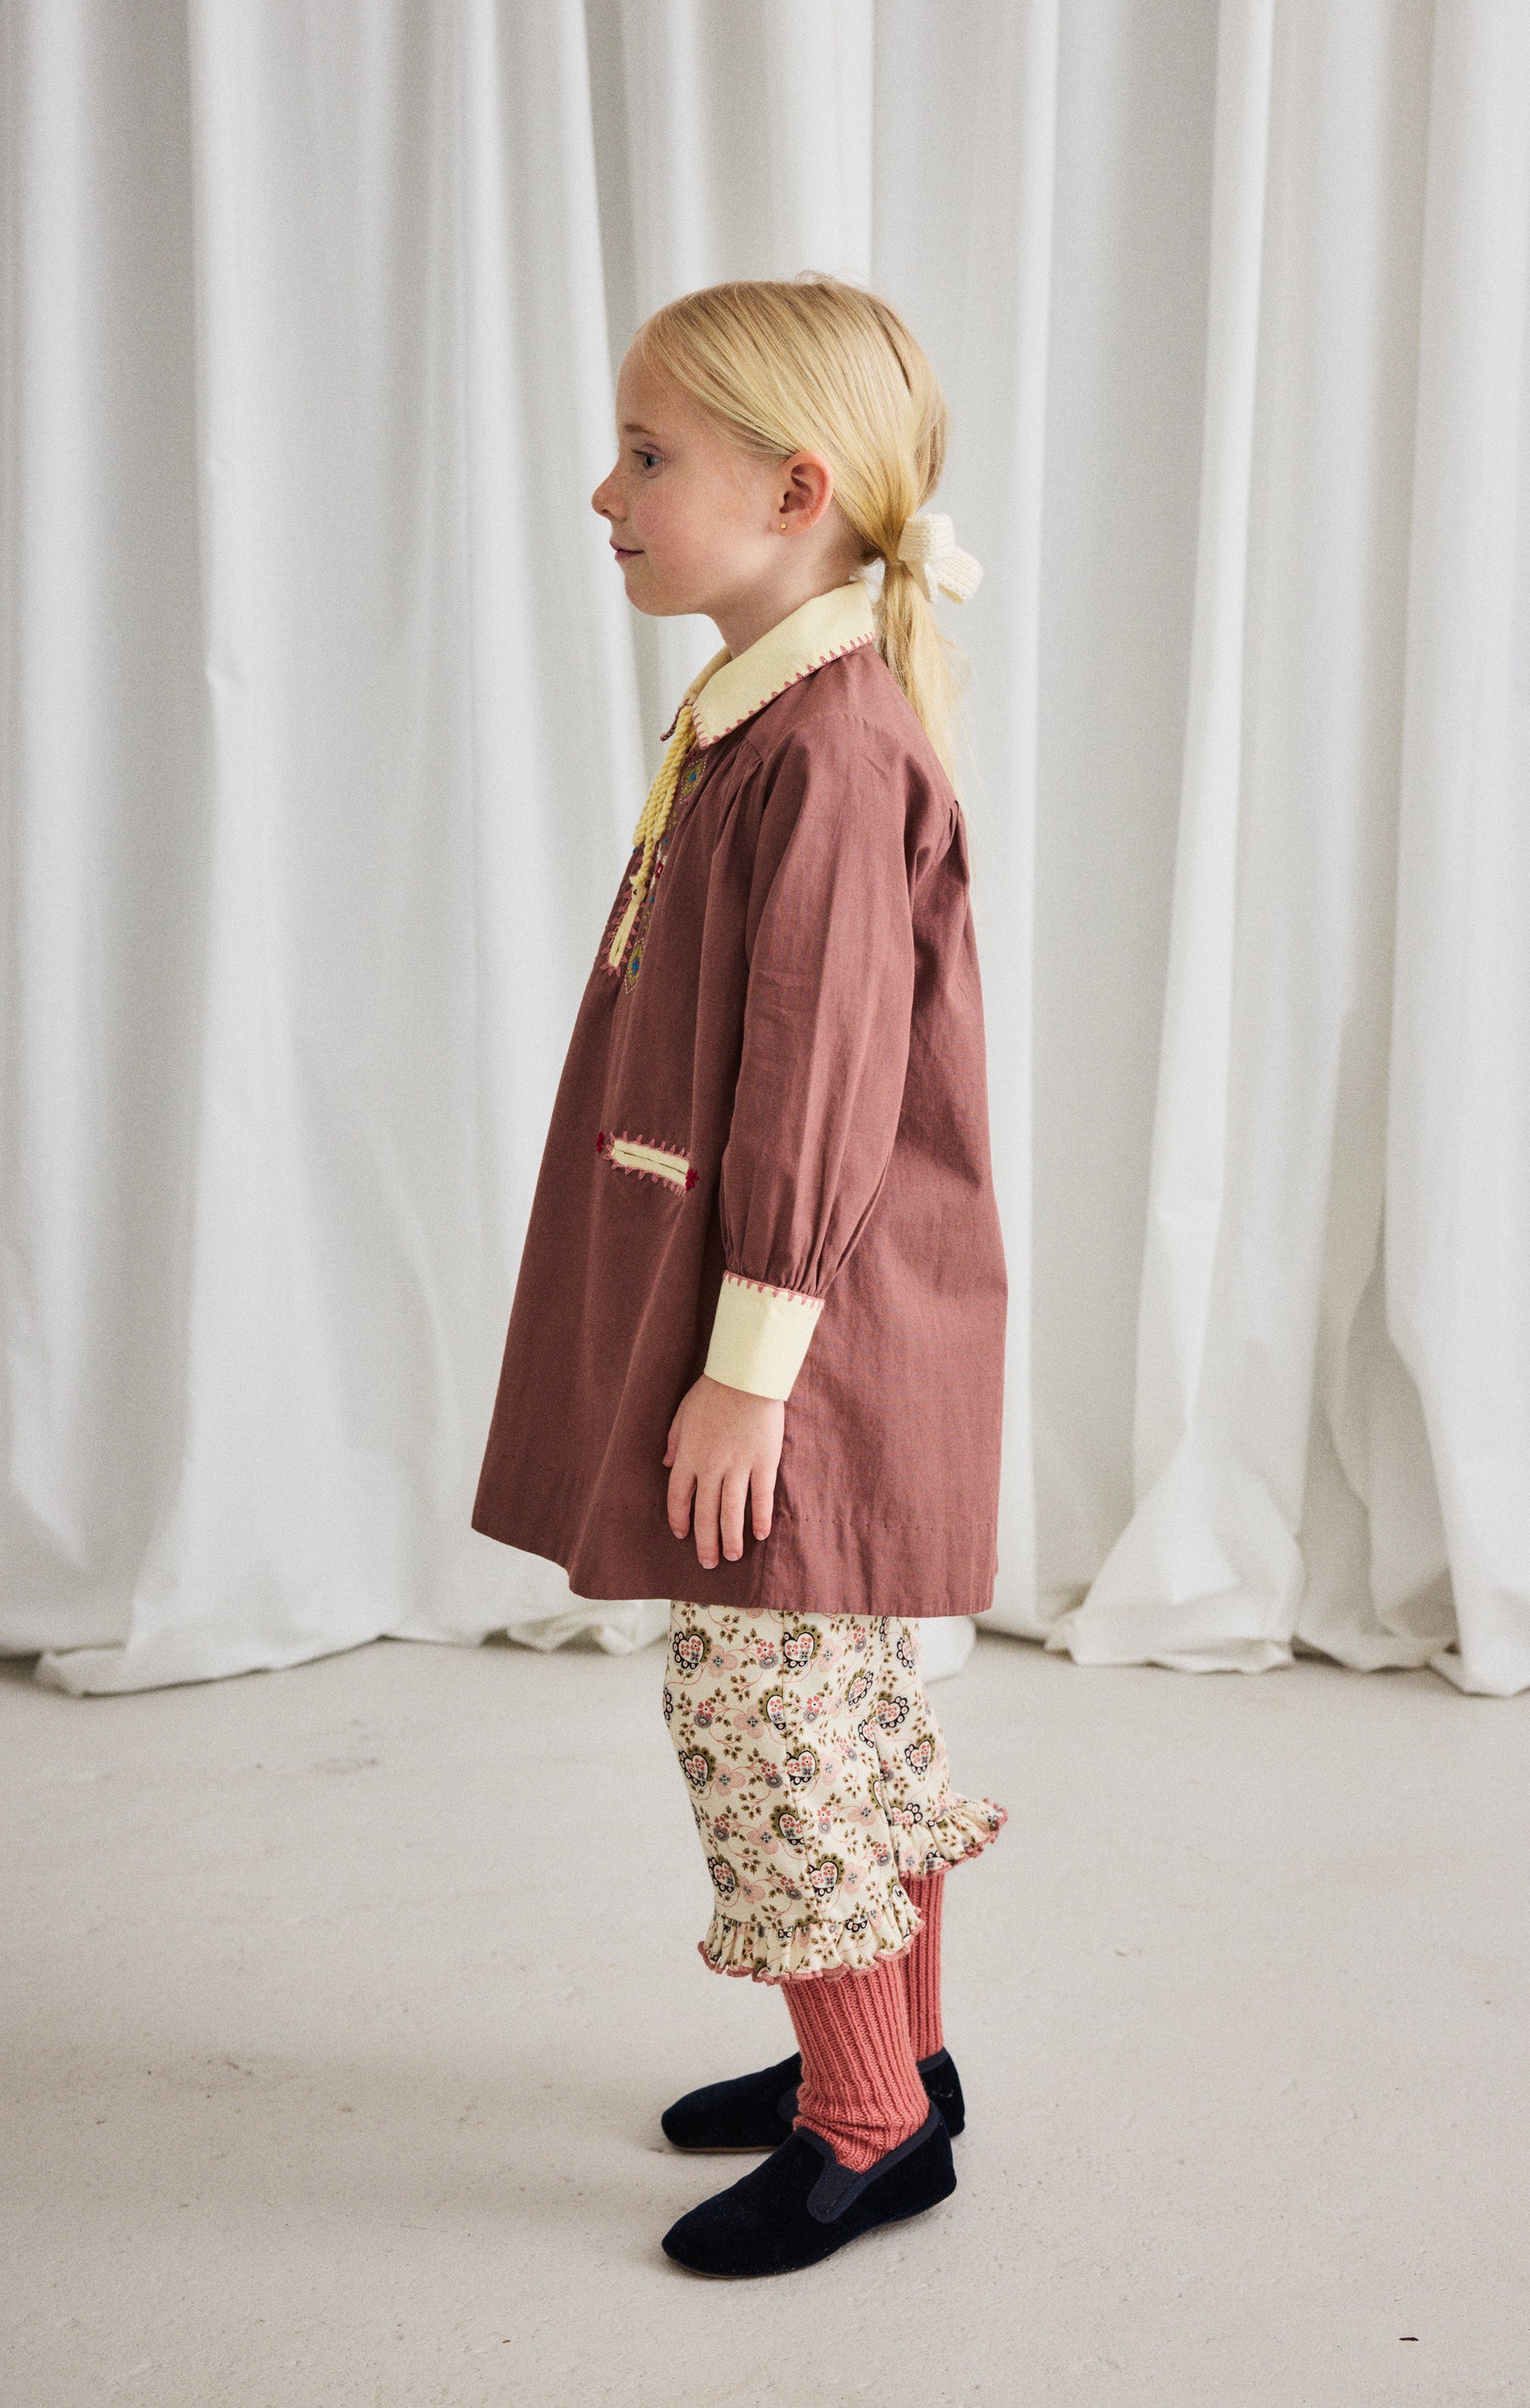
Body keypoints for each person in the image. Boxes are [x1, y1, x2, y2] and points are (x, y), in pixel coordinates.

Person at [471, 274, 1009, 2279]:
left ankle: (868, 2123)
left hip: (813, 1347)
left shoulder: (828, 751)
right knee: (840, 1708)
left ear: (794, 492)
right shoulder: (774, 719)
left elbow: (821, 1079)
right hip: (812, 1332)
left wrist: (747, 1365)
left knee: (769, 1720)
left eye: (646, 454)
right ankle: (894, 2060)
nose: (602, 490)